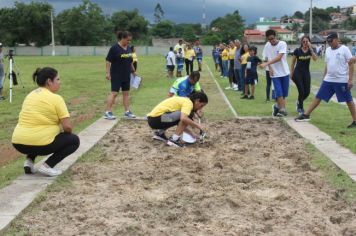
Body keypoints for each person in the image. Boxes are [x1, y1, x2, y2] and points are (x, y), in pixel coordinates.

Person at [11, 67, 80, 176]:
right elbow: (67, 127)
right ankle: (47, 166)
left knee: (35, 133)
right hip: (41, 144)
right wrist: (61, 132)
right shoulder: (56, 98)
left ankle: (29, 162)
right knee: (73, 140)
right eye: (57, 79)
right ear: (49, 81)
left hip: (18, 142)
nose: (60, 82)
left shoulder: (30, 95)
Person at [295, 32, 356, 128]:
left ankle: (355, 120)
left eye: (331, 41)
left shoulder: (345, 49)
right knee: (318, 96)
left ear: (337, 39)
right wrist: (324, 78)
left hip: (341, 80)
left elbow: (351, 64)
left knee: (348, 100)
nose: (329, 43)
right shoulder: (327, 50)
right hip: (329, 79)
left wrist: (350, 80)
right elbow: (327, 65)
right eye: (328, 42)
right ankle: (306, 114)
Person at [104, 31, 136, 120]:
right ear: (123, 38)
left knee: (126, 94)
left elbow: (130, 61)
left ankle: (127, 111)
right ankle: (108, 112)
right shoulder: (114, 48)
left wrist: (133, 72)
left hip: (126, 75)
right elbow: (108, 61)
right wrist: (107, 73)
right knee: (114, 93)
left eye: (130, 40)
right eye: (128, 40)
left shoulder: (129, 48)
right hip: (116, 74)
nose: (129, 42)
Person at [260, 29, 290, 117]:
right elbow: (266, 57)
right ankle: (282, 110)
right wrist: (269, 68)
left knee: (284, 93)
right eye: (269, 39)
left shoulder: (282, 44)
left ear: (275, 36)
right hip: (274, 73)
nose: (271, 41)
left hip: (284, 72)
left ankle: (277, 107)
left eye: (272, 38)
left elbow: (279, 57)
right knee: (279, 92)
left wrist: (266, 64)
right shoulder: (267, 45)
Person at [290, 36, 318, 114]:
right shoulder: (297, 51)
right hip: (297, 73)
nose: (305, 43)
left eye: (307, 41)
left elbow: (315, 59)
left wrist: (311, 48)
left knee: (307, 92)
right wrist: (291, 73)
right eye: (304, 41)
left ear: (309, 42)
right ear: (301, 42)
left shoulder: (310, 50)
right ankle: (300, 108)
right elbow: (293, 63)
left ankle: (299, 102)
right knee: (301, 91)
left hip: (306, 73)